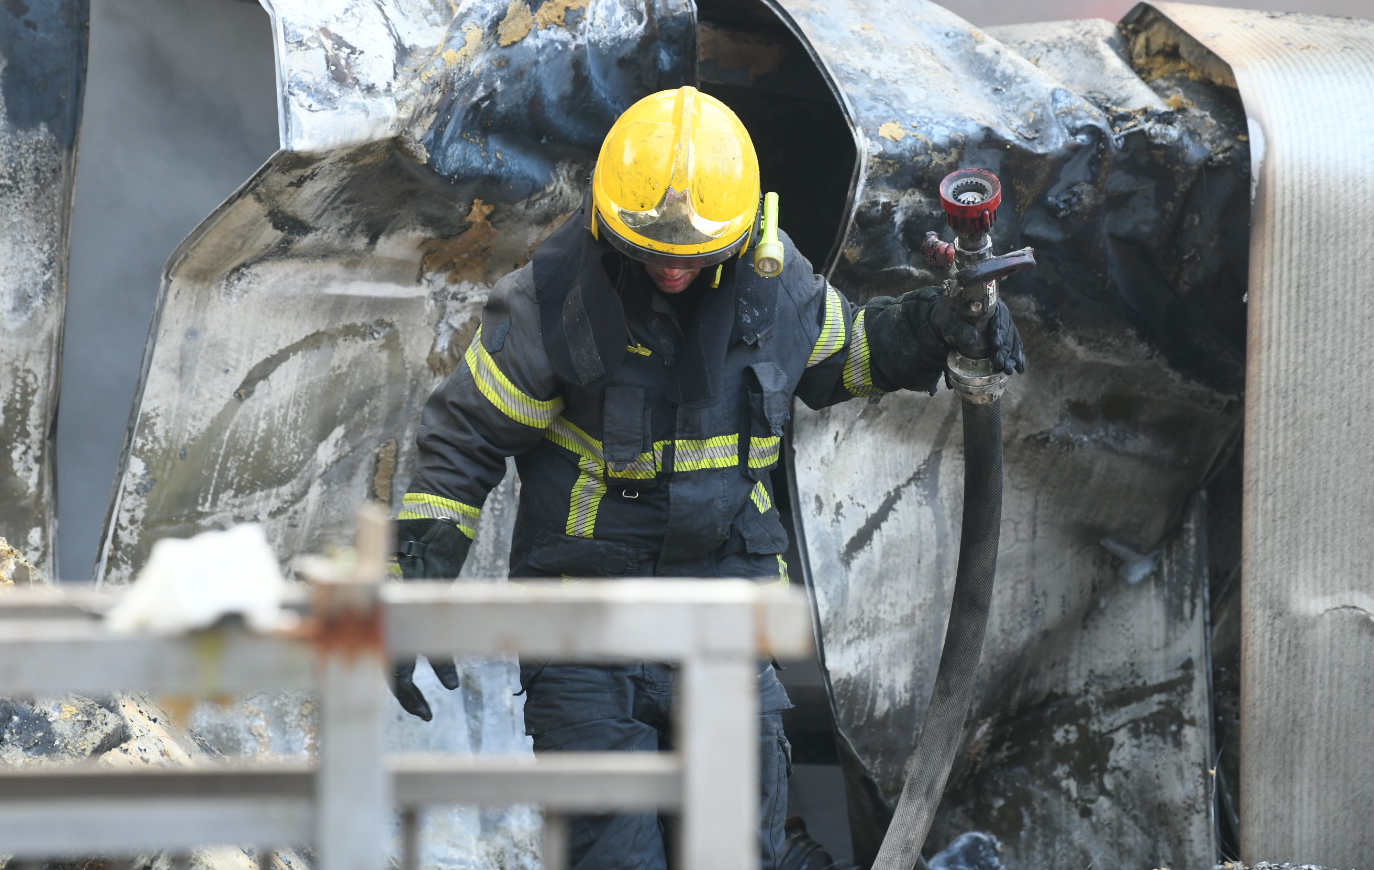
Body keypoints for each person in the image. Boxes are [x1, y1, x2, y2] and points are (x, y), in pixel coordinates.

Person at [390, 86, 1025, 870]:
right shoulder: (551, 305)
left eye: (692, 254)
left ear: (741, 230)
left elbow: (853, 356)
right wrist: (416, 578)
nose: (670, 266)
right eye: (651, 246)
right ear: (606, 220)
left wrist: (940, 321)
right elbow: (466, 438)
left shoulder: (776, 284)